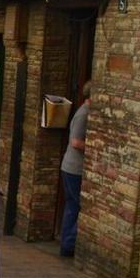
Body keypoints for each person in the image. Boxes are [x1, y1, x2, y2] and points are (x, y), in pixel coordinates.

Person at [59, 82, 90, 257]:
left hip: (73, 168)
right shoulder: (83, 114)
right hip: (74, 168)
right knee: (74, 204)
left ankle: (68, 243)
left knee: (73, 204)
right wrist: (93, 146)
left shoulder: (85, 113)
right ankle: (68, 244)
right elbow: (76, 141)